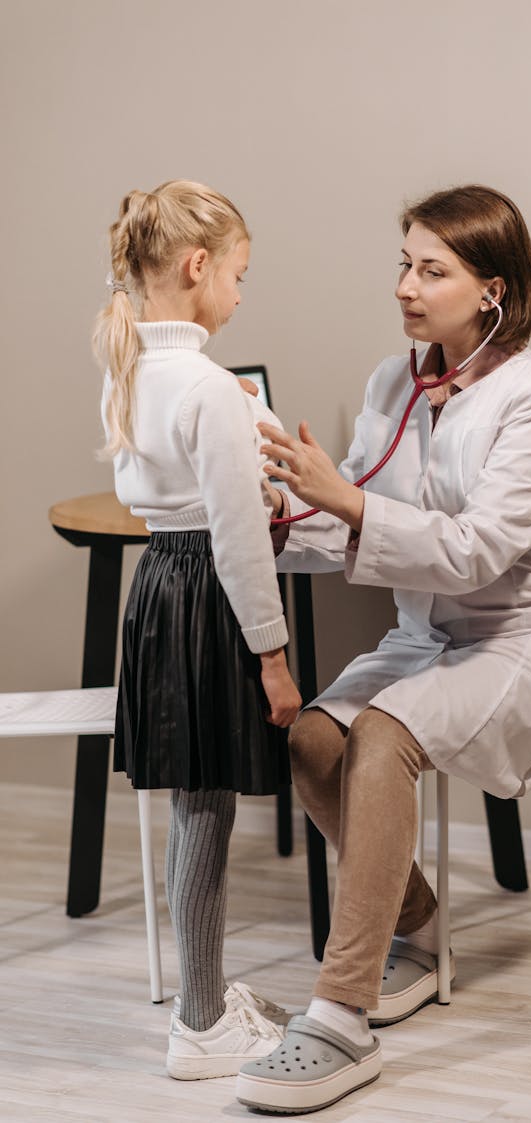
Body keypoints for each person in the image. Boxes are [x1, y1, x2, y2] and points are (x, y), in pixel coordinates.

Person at [233, 184, 531, 1114]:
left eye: (430, 269)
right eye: (403, 263)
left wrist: (344, 498)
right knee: (315, 738)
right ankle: (418, 928)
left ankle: (341, 1017)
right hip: (432, 637)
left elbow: (476, 547)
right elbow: (353, 515)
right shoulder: (393, 382)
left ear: (492, 288)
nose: (406, 285)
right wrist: (280, 518)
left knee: (384, 729)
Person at [95, 180, 302, 1080]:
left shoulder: (128, 366)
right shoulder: (213, 388)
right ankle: (202, 1025)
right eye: (239, 275)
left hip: (156, 589)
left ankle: (205, 1001)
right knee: (207, 811)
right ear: (197, 265)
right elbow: (240, 542)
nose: (241, 295)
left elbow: (165, 498)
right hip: (210, 594)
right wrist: (276, 658)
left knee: (193, 806)